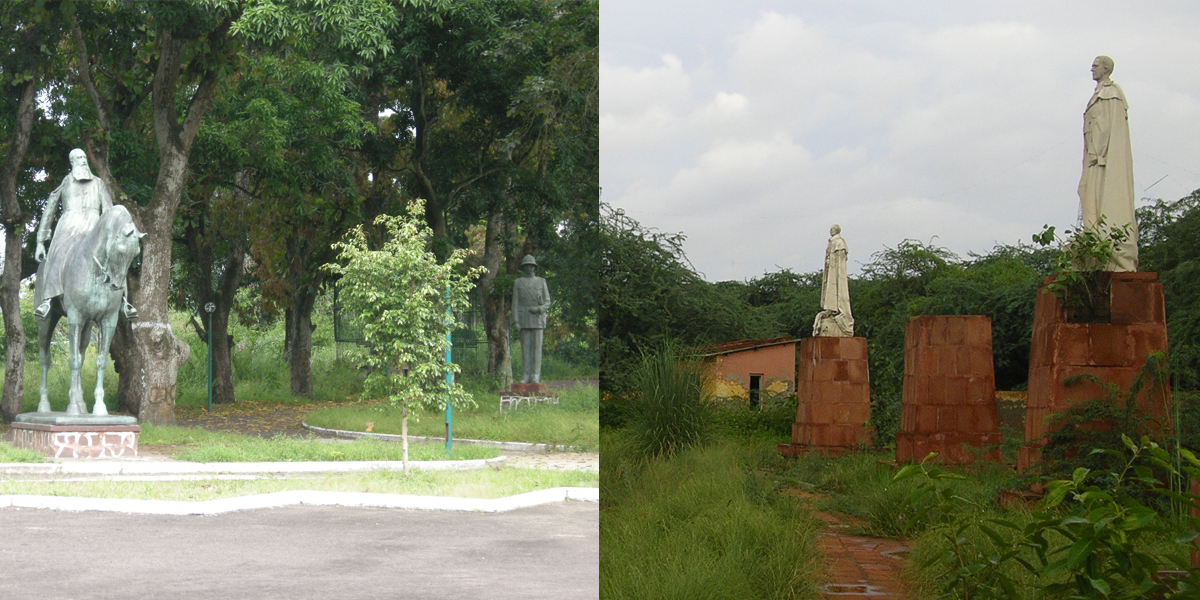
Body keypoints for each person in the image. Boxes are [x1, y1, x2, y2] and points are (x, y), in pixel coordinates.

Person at [34, 149, 136, 319]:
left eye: (83, 157)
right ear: (72, 162)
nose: (82, 160)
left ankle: (124, 301)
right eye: (78, 158)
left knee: (116, 254)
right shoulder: (66, 182)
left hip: (94, 227)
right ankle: (48, 299)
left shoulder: (98, 183)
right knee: (58, 254)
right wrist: (40, 240)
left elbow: (110, 211)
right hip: (69, 227)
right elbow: (50, 208)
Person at [1078, 55, 1137, 271]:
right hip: (1093, 160)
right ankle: (1092, 240)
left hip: (1101, 159)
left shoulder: (1111, 94)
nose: (1091, 69)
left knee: (1100, 197)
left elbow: (1105, 126)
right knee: (1086, 196)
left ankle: (1107, 247)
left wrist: (1097, 151)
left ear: (1106, 68)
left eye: (1095, 66)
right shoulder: (1099, 94)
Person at [511, 254, 551, 384]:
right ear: (524, 268)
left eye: (531, 266)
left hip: (537, 319)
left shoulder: (541, 282)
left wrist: (539, 309)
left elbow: (547, 302)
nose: (529, 268)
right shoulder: (518, 283)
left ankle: (535, 376)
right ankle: (526, 375)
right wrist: (516, 321)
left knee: (536, 350)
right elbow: (515, 303)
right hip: (524, 319)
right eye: (527, 266)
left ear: (534, 267)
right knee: (525, 350)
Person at [812, 224, 853, 337]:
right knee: (829, 290)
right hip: (830, 272)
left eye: (832, 229)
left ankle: (837, 311)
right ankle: (831, 310)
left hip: (836, 273)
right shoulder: (831, 242)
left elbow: (841, 259)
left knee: (837, 291)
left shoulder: (839, 242)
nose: (830, 231)